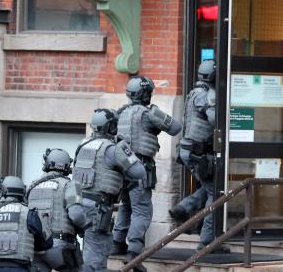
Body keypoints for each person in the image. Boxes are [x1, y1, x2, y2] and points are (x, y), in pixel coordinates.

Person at [111, 76, 182, 270]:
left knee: (126, 206)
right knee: (142, 211)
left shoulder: (120, 113)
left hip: (122, 167)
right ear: (145, 94)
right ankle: (134, 252)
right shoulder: (148, 114)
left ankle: (117, 243)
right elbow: (176, 128)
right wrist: (157, 114)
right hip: (140, 167)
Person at [72, 108, 146, 272]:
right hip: (98, 208)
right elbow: (139, 172)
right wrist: (125, 148)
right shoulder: (112, 149)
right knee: (96, 253)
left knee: (92, 247)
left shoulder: (83, 144)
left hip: (77, 204)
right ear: (111, 127)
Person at [169, 59, 229, 254]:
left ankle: (185, 207)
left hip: (190, 149)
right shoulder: (205, 95)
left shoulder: (194, 92)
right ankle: (207, 241)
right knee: (216, 193)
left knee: (210, 186)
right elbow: (215, 119)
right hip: (198, 151)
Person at [27, 148, 88, 272]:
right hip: (61, 248)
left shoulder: (31, 187)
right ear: (67, 166)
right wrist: (87, 227)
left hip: (35, 248)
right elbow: (76, 215)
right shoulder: (70, 185)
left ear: (47, 163)